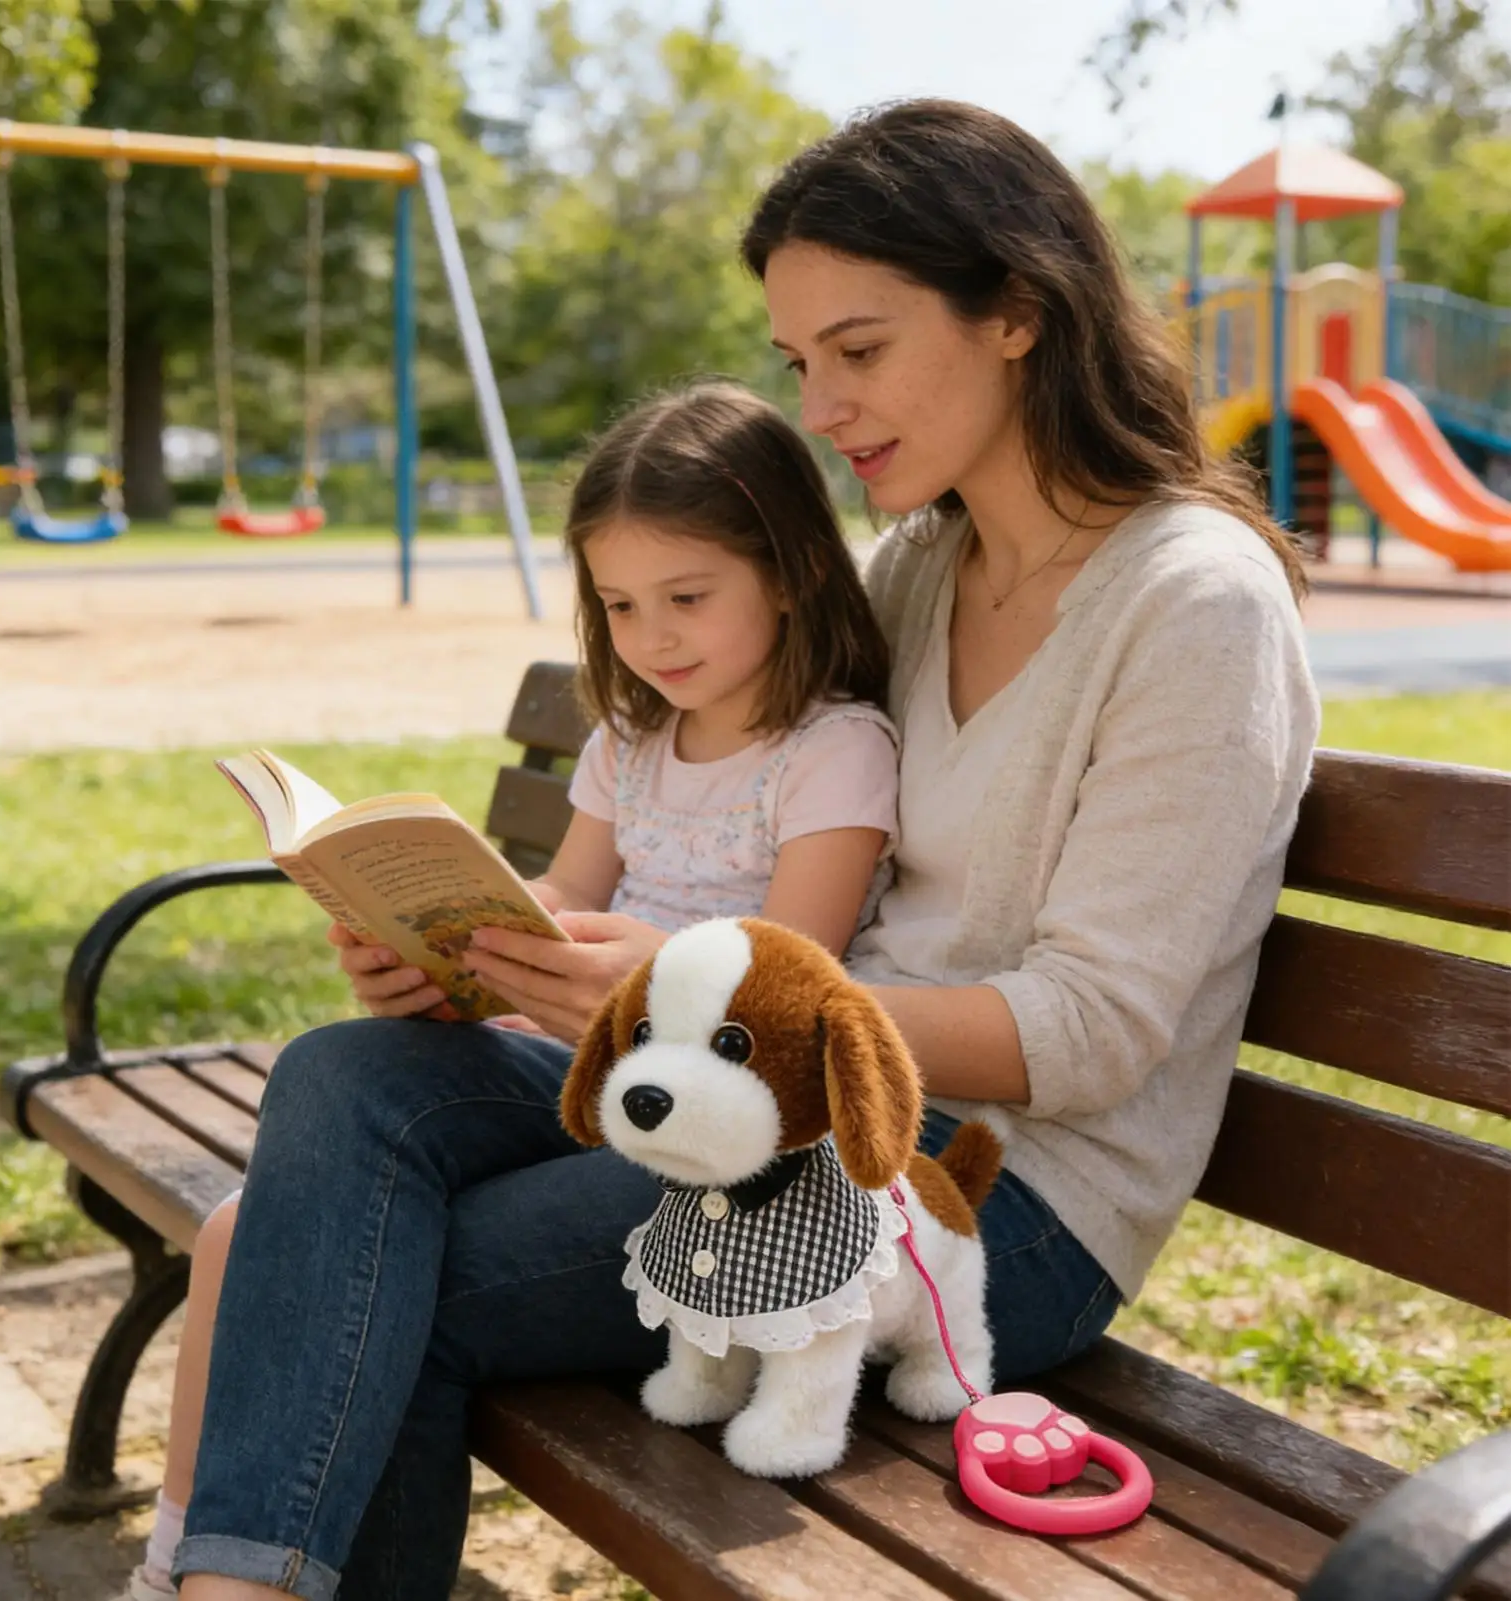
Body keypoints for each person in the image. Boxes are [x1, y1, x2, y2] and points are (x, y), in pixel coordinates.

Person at [173, 100, 1319, 1601]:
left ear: (1019, 313)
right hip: (772, 1116)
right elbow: (716, 745)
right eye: (799, 364)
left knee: (381, 1278)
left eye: (859, 348)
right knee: (349, 1075)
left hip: (985, 1204)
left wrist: (708, 1003)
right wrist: (479, 946)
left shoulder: (1193, 608)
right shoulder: (922, 564)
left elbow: (1094, 1035)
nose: (824, 406)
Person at [119, 377, 901, 1599]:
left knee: (318, 1252)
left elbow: (787, 998)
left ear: (791, 569)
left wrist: (629, 970)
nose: (653, 635)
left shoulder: (832, 749)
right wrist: (432, 957)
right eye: (621, 603)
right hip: (573, 1075)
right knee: (285, 1151)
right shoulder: (627, 742)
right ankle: (189, 1562)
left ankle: (221, 1577)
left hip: (710, 1133)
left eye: (688, 596)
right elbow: (547, 907)